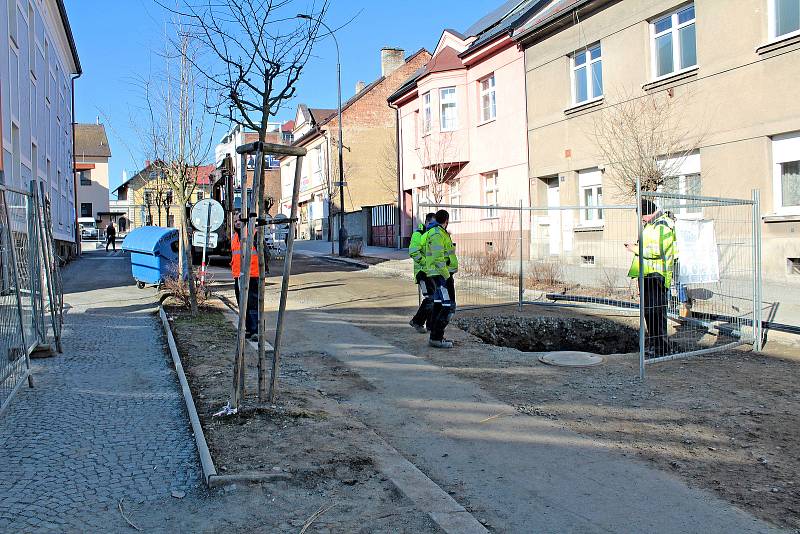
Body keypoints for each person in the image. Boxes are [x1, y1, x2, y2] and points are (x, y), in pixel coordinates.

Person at [626, 199, 676, 357]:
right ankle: (655, 346)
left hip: (657, 275)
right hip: (648, 274)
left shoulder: (663, 225)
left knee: (656, 313)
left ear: (647, 213)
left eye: (641, 216)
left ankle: (661, 348)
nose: (641, 219)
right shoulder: (652, 224)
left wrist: (635, 249)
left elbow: (658, 250)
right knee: (649, 312)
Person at [423, 209, 458, 349]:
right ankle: (436, 338)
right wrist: (446, 275)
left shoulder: (434, 232)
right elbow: (438, 259)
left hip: (437, 275)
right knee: (449, 306)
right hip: (442, 276)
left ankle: (435, 336)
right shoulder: (438, 234)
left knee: (439, 303)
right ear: (446, 221)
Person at [230, 213, 260, 340]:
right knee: (242, 304)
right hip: (238, 275)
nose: (237, 222)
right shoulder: (235, 236)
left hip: (252, 274)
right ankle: (247, 329)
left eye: (239, 220)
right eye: (235, 220)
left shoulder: (252, 233)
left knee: (252, 303)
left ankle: (254, 331)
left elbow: (262, 253)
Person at [408, 213, 437, 333]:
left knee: (435, 299)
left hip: (432, 272)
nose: (433, 226)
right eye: (431, 224)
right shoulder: (418, 234)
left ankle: (430, 325)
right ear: (426, 222)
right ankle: (417, 321)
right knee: (430, 298)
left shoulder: (433, 234)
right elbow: (414, 252)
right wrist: (426, 263)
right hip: (422, 272)